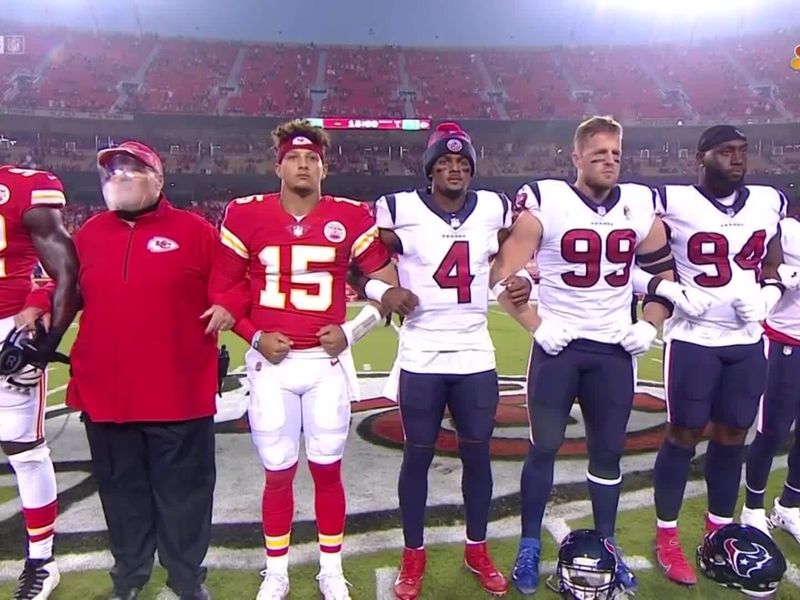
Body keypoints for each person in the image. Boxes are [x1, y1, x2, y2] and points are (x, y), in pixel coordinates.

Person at [210, 119, 417, 600]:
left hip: (326, 367)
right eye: (294, 157)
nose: (303, 164)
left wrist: (351, 331)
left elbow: (385, 289)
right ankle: (276, 570)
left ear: (324, 167)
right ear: (277, 164)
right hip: (272, 367)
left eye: (312, 158)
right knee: (278, 473)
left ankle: (330, 567)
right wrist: (254, 334)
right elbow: (223, 292)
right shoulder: (245, 215)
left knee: (327, 470)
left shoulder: (350, 215)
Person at [33, 140, 245, 600]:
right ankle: (128, 579)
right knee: (121, 496)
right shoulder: (88, 234)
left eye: (133, 168)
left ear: (159, 178)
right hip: (107, 393)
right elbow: (61, 286)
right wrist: (35, 305)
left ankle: (187, 580)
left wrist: (229, 304)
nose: (121, 177)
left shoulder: (195, 231)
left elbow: (234, 284)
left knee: (184, 497)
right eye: (113, 171)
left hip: (179, 391)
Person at [489, 116, 691, 596]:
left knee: (608, 451)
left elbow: (663, 277)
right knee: (543, 447)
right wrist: (538, 325)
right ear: (576, 158)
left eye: (616, 154)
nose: (609, 161)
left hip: (613, 352)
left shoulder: (641, 205)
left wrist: (650, 322)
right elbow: (500, 275)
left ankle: (607, 543)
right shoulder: (547, 201)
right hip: (558, 350)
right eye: (598, 153)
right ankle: (528, 544)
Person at [357, 122, 534, 600]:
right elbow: (360, 260)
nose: (454, 169)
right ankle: (413, 554)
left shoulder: (494, 208)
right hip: (422, 354)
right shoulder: (399, 209)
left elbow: (517, 258)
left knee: (478, 455)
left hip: (475, 353)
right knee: (417, 457)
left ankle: (476, 548)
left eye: (462, 162)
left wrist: (527, 282)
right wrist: (383, 289)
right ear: (430, 169)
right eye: (444, 163)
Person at [651, 125, 787, 586]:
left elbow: (771, 262)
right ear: (700, 157)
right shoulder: (669, 201)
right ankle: (666, 534)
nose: (737, 159)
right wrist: (667, 287)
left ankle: (719, 531)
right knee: (683, 433)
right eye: (726, 151)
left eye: (742, 152)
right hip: (694, 338)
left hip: (748, 340)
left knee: (734, 434)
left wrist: (770, 292)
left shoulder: (769, 201)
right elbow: (629, 253)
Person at [0, 165, 80, 600]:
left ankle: (41, 561)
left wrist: (41, 322)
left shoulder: (20, 186)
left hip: (6, 328)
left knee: (24, 451)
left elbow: (63, 264)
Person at [741, 213, 800, 541]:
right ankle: (752, 507)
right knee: (771, 431)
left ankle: (789, 505)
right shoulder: (786, 230)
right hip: (784, 342)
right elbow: (756, 263)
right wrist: (782, 273)